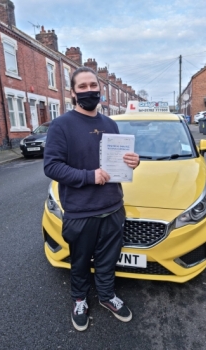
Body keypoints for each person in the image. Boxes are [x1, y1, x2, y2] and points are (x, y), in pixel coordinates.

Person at [44, 66, 140, 332]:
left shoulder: (110, 124)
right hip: (80, 211)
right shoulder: (61, 125)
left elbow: (120, 162)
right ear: (73, 93)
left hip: (112, 207)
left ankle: (107, 296)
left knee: (109, 258)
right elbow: (51, 167)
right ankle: (79, 299)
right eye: (82, 87)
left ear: (100, 89)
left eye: (92, 85)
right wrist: (89, 176)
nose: (89, 91)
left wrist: (134, 161)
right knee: (80, 260)